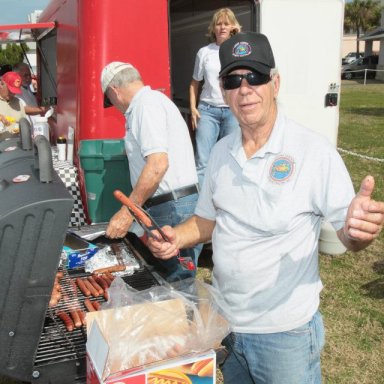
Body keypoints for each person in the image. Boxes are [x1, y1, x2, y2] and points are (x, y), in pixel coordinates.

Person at [147, 32, 384, 383]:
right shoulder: (219, 153)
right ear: (223, 91)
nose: (245, 89)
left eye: (255, 77)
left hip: (284, 334)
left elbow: (348, 237)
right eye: (233, 80)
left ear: (275, 83)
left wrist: (358, 231)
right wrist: (175, 237)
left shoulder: (312, 152)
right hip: (226, 323)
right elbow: (206, 221)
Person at [100, 61, 202, 282]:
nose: (114, 105)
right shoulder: (153, 102)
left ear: (114, 91)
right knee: (177, 280)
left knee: (178, 283)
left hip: (171, 206)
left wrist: (129, 211)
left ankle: (187, 317)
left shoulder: (144, 106)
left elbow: (157, 164)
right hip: (174, 203)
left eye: (110, 100)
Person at [190, 8, 241, 187]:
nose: (222, 27)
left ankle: (227, 197)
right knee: (203, 162)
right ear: (213, 28)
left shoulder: (238, 50)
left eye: (226, 23)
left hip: (232, 112)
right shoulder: (204, 52)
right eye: (219, 23)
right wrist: (193, 108)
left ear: (233, 26)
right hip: (207, 111)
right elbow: (194, 83)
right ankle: (202, 208)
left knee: (232, 158)